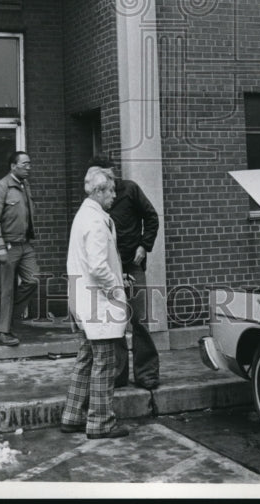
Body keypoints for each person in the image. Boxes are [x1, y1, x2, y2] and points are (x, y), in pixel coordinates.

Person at [60, 165, 130, 439]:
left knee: (86, 358)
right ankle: (101, 422)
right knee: (105, 363)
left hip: (83, 298)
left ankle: (72, 415)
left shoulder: (84, 216)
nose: (114, 196)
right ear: (99, 191)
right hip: (98, 302)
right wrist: (116, 289)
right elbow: (99, 267)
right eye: (111, 191)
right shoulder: (96, 221)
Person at [93, 153, 160, 390]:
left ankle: (147, 373)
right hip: (110, 266)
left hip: (132, 263)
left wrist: (144, 245)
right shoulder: (96, 197)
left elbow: (151, 218)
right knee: (114, 319)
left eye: (110, 172)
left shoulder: (131, 189)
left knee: (139, 317)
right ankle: (118, 375)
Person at [0, 150, 39, 347]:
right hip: (7, 245)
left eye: (29, 163)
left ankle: (9, 318)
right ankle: (1, 331)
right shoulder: (1, 187)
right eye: (25, 164)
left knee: (33, 280)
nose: (29, 167)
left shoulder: (25, 186)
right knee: (6, 288)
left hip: (24, 244)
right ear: (13, 166)